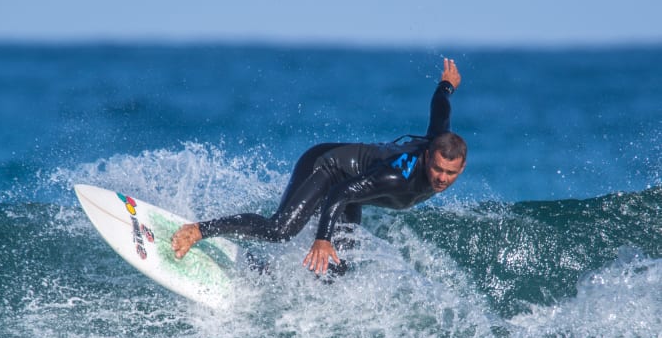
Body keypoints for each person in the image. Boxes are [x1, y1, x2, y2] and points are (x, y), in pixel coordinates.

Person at [171, 58, 466, 275]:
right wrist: (322, 238)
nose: (441, 178)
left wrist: (446, 86)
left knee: (338, 269)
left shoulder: (440, 141)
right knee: (281, 229)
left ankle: (265, 272)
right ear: (428, 157)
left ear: (461, 168)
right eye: (438, 169)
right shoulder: (396, 177)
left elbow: (441, 107)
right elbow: (340, 190)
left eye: (450, 173)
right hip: (327, 166)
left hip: (355, 186)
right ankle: (199, 230)